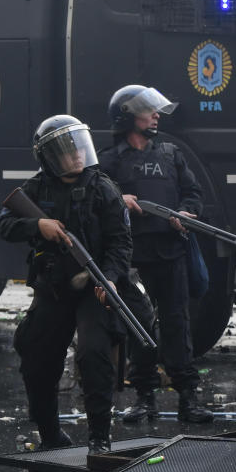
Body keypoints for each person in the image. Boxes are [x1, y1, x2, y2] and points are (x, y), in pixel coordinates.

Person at [0, 114, 132, 453]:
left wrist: (112, 280)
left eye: (79, 148)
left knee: (94, 354)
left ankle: (100, 439)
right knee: (36, 354)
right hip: (54, 288)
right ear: (49, 157)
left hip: (95, 287)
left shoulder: (102, 188)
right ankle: (50, 435)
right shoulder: (37, 188)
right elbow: (5, 224)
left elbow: (121, 243)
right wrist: (37, 226)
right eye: (67, 150)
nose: (76, 156)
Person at [97, 85, 213, 423]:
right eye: (148, 111)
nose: (156, 116)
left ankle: (188, 399)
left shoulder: (171, 154)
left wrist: (185, 214)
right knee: (141, 326)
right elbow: (93, 199)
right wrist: (120, 199)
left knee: (177, 323)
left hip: (169, 250)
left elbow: (193, 193)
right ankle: (144, 399)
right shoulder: (109, 161)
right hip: (130, 256)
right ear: (128, 117)